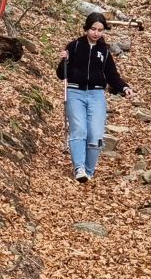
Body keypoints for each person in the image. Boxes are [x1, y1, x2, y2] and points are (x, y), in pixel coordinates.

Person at [56, 12, 131, 184]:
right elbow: (61, 75)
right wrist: (64, 61)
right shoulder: (74, 46)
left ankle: (89, 171)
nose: (96, 33)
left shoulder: (104, 51)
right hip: (75, 92)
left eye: (100, 30)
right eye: (93, 29)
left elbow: (112, 75)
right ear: (86, 29)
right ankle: (79, 168)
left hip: (97, 94)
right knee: (79, 130)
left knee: (96, 134)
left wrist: (124, 87)